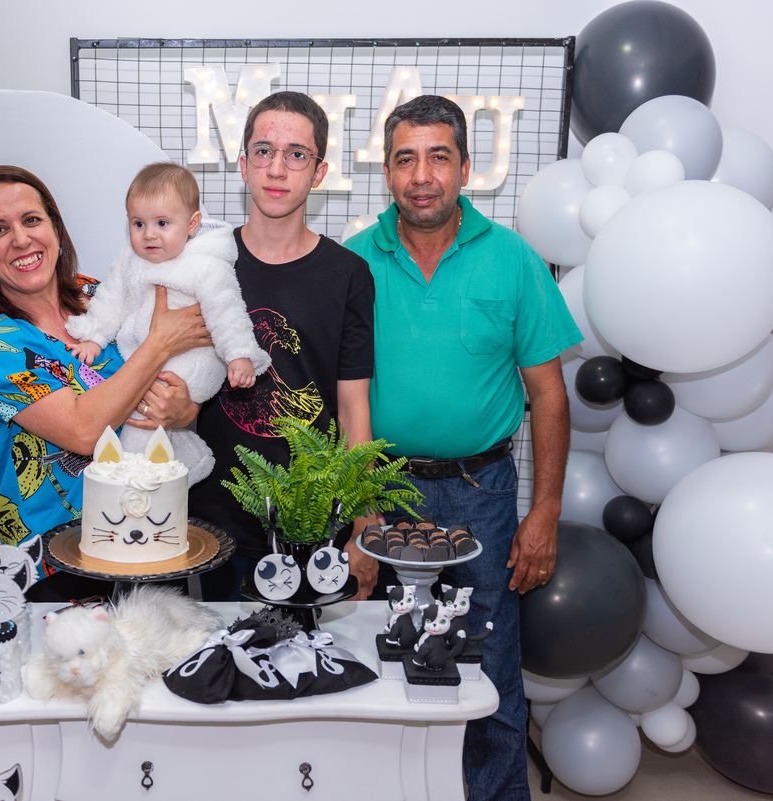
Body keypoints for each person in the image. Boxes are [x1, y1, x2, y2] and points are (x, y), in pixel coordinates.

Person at [343, 94, 582, 801]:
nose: (422, 176)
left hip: (481, 498)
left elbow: (549, 395)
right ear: (387, 172)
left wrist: (545, 511)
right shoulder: (354, 264)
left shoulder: (512, 260)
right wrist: (357, 509)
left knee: (487, 673)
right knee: (383, 666)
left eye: (438, 157)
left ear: (467, 168)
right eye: (405, 159)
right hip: (381, 494)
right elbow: (341, 400)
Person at [140, 91, 377, 600]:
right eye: (264, 151)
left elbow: (353, 407)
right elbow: (159, 362)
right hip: (206, 523)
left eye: (296, 154)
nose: (277, 168)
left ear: (319, 172)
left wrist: (363, 519)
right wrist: (180, 408)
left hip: (312, 523)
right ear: (244, 165)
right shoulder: (199, 263)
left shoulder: (349, 275)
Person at [0, 165, 210, 599]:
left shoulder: (98, 294)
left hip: (151, 531)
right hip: (58, 559)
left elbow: (179, 369)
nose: (21, 239)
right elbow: (82, 431)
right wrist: (159, 342)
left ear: (55, 228)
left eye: (31, 220)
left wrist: (185, 408)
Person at [65, 162, 271, 483]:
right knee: (134, 405)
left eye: (162, 223)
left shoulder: (205, 265)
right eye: (138, 223)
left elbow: (227, 311)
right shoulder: (129, 260)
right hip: (149, 352)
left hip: (195, 361)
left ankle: (143, 479)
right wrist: (94, 336)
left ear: (192, 224)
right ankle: (181, 459)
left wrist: (239, 355)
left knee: (140, 420)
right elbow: (110, 299)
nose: (149, 234)